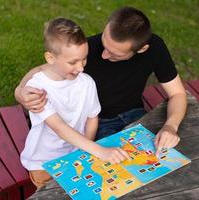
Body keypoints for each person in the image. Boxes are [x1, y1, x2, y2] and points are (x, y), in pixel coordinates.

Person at [15, 7, 187, 158]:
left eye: (115, 54)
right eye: (104, 43)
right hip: (98, 121)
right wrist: (20, 91)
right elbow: (42, 69)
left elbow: (178, 93)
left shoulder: (155, 47)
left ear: (142, 49)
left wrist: (171, 126)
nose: (104, 54)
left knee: (164, 155)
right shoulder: (85, 50)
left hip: (135, 114)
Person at [20, 18, 130, 189]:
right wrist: (98, 150)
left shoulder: (86, 82)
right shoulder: (38, 88)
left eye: (84, 59)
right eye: (73, 62)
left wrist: (84, 150)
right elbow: (59, 127)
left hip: (77, 153)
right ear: (50, 58)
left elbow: (92, 118)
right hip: (44, 163)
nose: (81, 68)